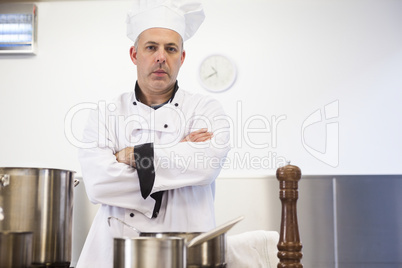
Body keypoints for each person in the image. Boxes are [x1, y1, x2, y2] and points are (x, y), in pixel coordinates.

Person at [76, 0, 231, 266]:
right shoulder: (106, 113)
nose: (161, 57)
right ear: (134, 55)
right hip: (113, 249)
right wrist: (178, 154)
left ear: (181, 58)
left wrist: (130, 155)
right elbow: (98, 184)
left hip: (187, 250)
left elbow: (206, 165)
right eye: (151, 47)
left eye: (171, 49)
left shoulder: (205, 108)